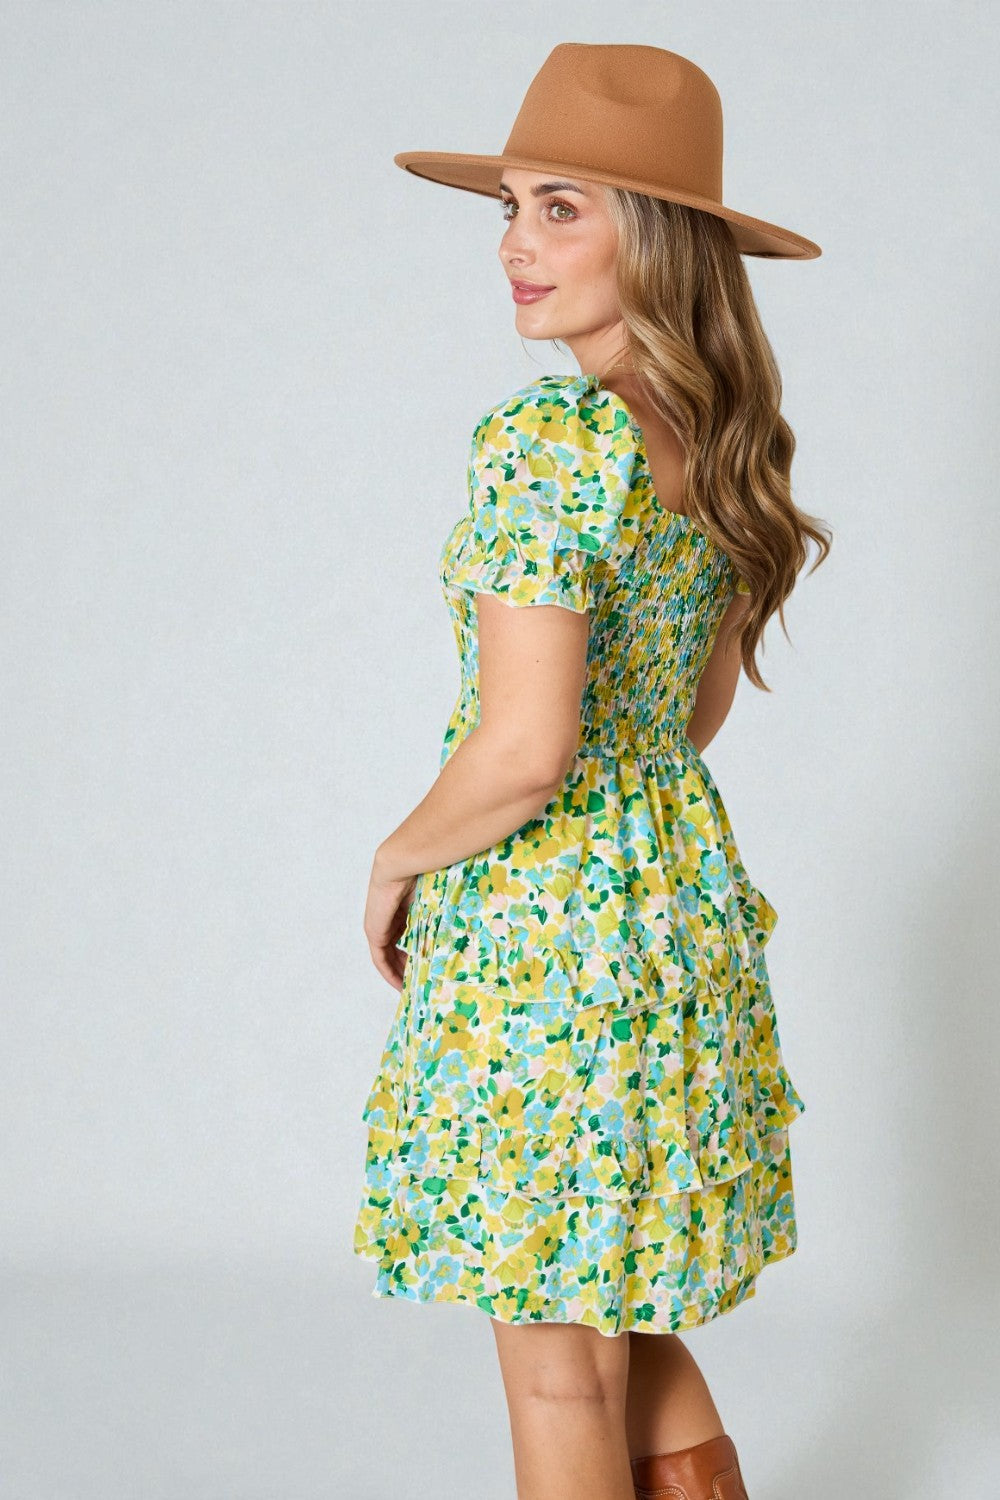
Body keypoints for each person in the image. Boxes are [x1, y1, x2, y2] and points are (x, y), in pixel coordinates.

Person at [353, 42, 830, 1500]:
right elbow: (677, 725)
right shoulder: (715, 441)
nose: (514, 245)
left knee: (560, 1362)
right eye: (506, 206)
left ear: (659, 231)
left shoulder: (550, 439)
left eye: (561, 207)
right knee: (616, 1305)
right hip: (673, 910)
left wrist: (397, 858)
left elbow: (527, 745)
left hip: (550, 935)